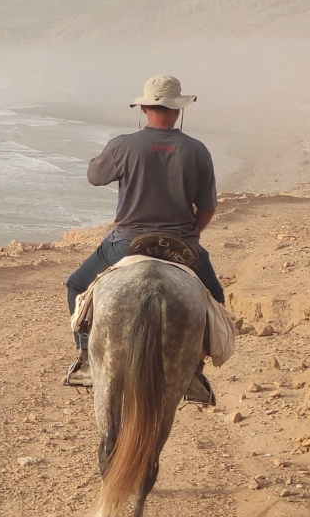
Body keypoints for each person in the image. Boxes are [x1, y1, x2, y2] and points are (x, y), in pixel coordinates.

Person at [64, 74, 224, 393]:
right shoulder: (197, 150)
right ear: (177, 110)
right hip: (181, 245)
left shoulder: (124, 144)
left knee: (77, 284)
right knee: (216, 299)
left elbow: (95, 177)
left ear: (145, 108)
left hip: (126, 242)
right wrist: (190, 238)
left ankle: (85, 358)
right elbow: (206, 208)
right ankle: (195, 368)